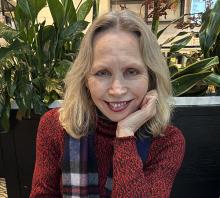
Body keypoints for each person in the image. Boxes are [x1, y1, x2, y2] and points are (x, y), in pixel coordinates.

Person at [30, 10, 185, 198]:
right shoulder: (55, 126)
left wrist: (125, 134)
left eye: (132, 71)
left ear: (151, 77)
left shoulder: (167, 141)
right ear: (85, 77)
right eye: (102, 72)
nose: (117, 90)